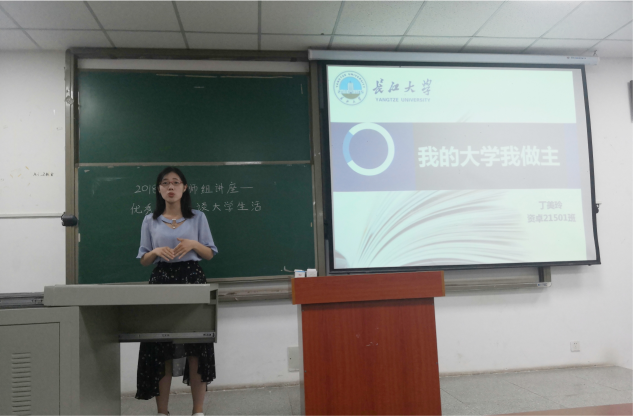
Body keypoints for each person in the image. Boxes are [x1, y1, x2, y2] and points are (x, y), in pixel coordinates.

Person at [135, 166, 218, 416]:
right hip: (162, 281)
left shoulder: (198, 217)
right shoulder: (150, 220)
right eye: (165, 183)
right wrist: (155, 251)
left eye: (175, 182)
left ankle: (198, 411)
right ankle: (162, 411)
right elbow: (144, 260)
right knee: (161, 347)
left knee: (197, 345)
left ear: (184, 187)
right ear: (159, 189)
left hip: (192, 279)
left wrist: (193, 244)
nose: (170, 187)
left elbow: (210, 253)